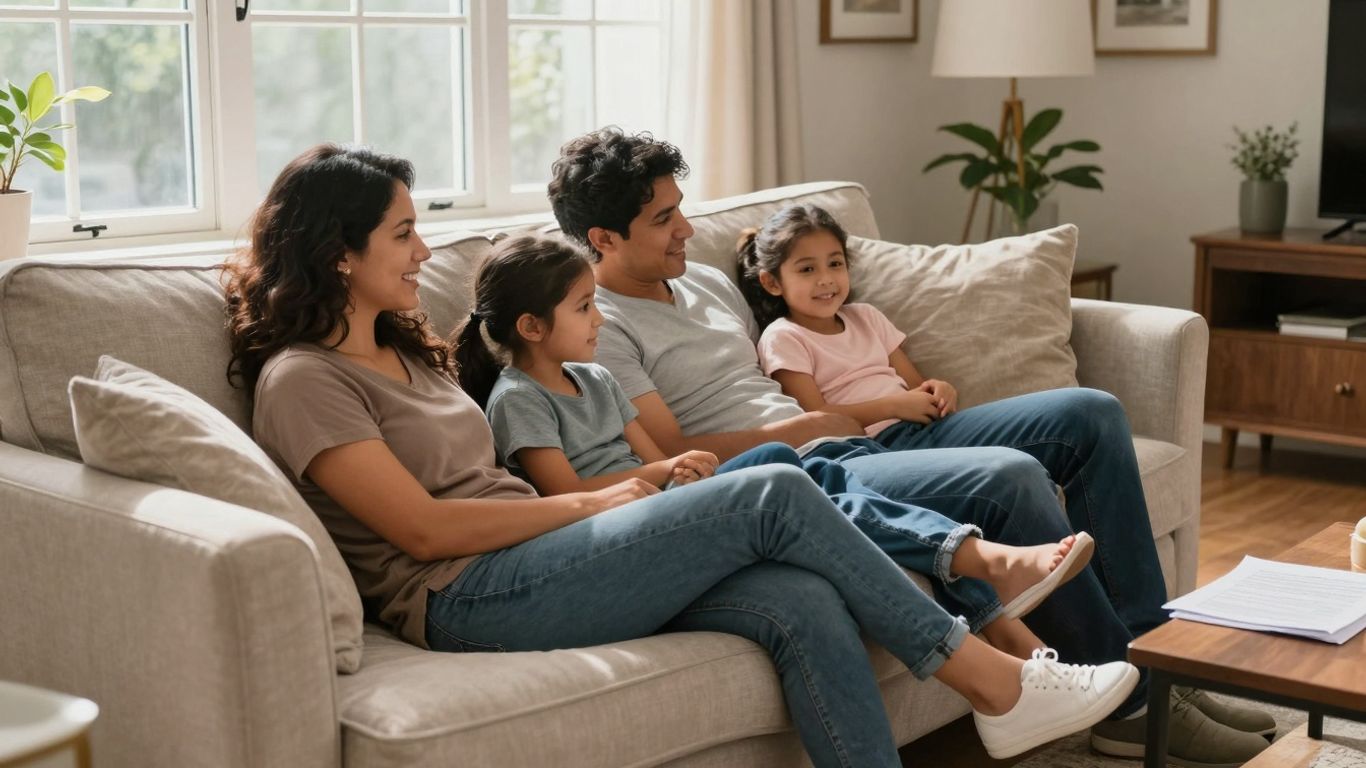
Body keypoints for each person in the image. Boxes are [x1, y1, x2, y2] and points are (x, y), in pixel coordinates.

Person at [223, 143, 1140, 767]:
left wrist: (610, 501)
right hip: (464, 593)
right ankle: (996, 681)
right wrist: (597, 501)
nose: (423, 249)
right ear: (338, 255)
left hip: (538, 551)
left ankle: (992, 646)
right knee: (768, 489)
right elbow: (422, 532)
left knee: (801, 596)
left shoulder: (404, 348)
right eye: (402, 233)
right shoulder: (304, 380)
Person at [546, 127, 1274, 764]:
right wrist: (804, 428)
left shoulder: (705, 281)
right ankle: (1138, 710)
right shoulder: (598, 323)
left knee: (1089, 414)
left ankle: (1154, 662)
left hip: (855, 444)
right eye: (664, 218)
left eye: (681, 208)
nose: (685, 228)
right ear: (604, 238)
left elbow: (800, 336)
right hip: (794, 468)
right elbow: (675, 451)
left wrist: (871, 394)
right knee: (1009, 476)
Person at [453, 231, 1095, 657]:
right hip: (628, 520)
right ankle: (988, 578)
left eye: (595, 304)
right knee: (798, 477)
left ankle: (992, 595)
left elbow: (652, 453)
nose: (598, 318)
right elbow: (565, 496)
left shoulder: (595, 376)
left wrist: (673, 468)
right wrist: (662, 476)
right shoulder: (517, 399)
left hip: (672, 494)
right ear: (532, 326)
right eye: (583, 308)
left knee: (798, 467)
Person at [738, 203, 960, 441]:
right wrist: (893, 407)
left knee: (995, 419)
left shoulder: (867, 316)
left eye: (835, 264)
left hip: (928, 426)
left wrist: (939, 390)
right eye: (807, 269)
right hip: (880, 441)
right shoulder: (783, 337)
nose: (826, 279)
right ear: (772, 283)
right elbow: (817, 418)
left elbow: (917, 386)